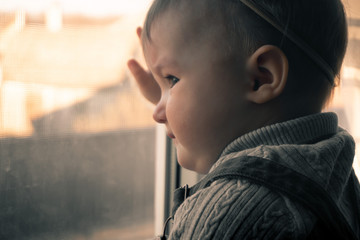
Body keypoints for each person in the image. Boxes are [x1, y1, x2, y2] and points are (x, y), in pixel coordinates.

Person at [128, 0, 360, 239]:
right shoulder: (335, 178)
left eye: (172, 79)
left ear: (261, 78)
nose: (157, 113)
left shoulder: (234, 217)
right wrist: (171, 100)